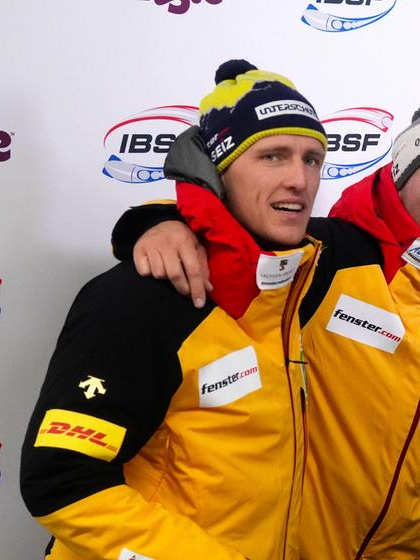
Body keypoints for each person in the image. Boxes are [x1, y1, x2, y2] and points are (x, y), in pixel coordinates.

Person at [115, 102, 420, 559]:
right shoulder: (332, 253)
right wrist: (157, 222)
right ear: (397, 183)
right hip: (304, 546)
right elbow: (239, 232)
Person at [20, 60, 327, 559]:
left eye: (312, 159)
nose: (300, 179)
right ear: (219, 171)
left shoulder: (295, 285)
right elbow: (60, 481)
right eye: (272, 156)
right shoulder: (141, 296)